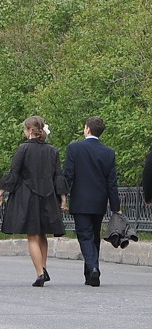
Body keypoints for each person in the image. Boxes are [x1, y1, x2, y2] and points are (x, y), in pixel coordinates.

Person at [0, 116, 66, 287]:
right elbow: (58, 176)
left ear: (28, 130)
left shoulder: (23, 149)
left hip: (27, 196)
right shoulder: (52, 150)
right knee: (42, 234)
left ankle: (40, 273)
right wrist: (63, 199)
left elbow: (15, 173)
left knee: (32, 235)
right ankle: (43, 267)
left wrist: (1, 192)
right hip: (48, 195)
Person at [64, 116, 121, 287]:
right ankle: (89, 275)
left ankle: (93, 268)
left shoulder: (74, 148)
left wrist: (62, 197)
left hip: (80, 201)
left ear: (87, 129)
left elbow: (68, 175)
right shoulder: (108, 152)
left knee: (84, 236)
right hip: (99, 201)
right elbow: (111, 182)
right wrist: (116, 207)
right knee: (94, 236)